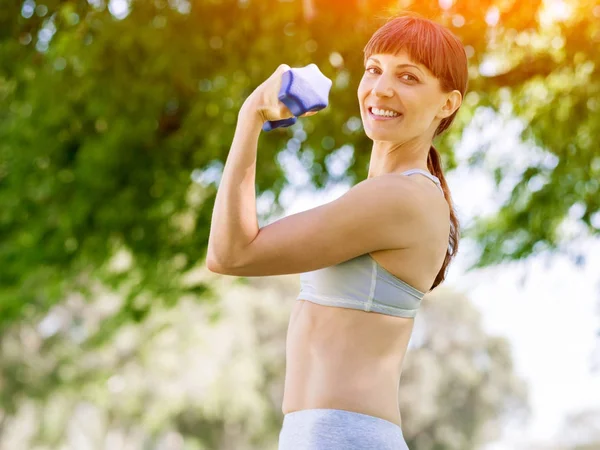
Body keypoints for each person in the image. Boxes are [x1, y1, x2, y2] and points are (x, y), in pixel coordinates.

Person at [207, 12, 468, 450]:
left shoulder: (400, 199)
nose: (382, 88)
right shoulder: (384, 195)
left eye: (408, 76)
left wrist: (250, 116)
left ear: (447, 103)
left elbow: (231, 254)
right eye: (374, 70)